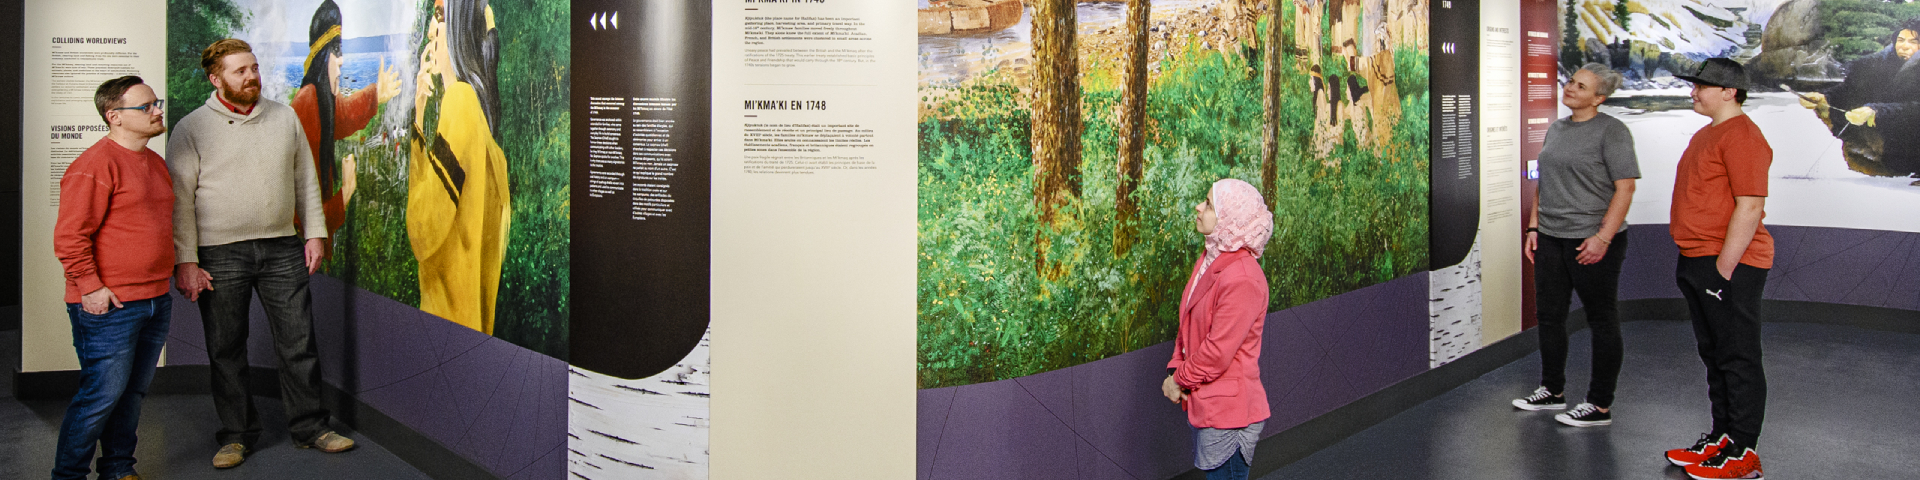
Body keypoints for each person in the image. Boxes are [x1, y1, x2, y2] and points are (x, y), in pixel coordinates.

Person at [167, 38, 355, 469]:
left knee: (298, 342)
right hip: (219, 254)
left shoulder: (284, 117)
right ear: (217, 80)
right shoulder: (191, 128)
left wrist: (314, 233)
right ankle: (236, 435)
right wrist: (187, 261)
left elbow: (307, 180)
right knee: (226, 347)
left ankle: (311, 427)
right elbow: (180, 201)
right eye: (240, 71)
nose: (252, 76)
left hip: (282, 248)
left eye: (253, 67)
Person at [50, 75, 174, 480]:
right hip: (110, 305)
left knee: (131, 394)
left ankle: (119, 469)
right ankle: (67, 476)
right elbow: (70, 237)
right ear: (114, 116)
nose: (158, 111)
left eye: (156, 103)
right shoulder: (94, 166)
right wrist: (90, 287)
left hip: (155, 299)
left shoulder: (155, 162)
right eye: (146, 106)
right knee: (100, 397)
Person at [1512, 63, 1639, 429]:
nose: (1569, 88)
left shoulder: (1612, 132)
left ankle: (1599, 405)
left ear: (1599, 98)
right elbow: (1543, 181)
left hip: (1592, 241)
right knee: (1550, 316)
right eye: (1570, 81)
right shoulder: (1557, 128)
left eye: (1580, 86)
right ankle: (1552, 390)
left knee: (1601, 319)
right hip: (1551, 237)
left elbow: (1625, 188)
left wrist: (1602, 238)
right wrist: (1534, 227)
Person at [1664, 58, 1772, 480]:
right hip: (1698, 259)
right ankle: (1723, 439)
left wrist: (1723, 270)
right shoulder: (1707, 134)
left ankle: (1745, 454)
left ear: (1730, 92)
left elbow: (1750, 205)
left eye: (1703, 86)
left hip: (1729, 264)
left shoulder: (1744, 136)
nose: (1694, 92)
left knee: (1738, 357)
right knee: (1715, 356)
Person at [408, 0, 511, 334]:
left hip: (444, 327)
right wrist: (421, 110)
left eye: (439, 16)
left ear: (458, 28)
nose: (430, 30)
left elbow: (421, 231)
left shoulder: (459, 103)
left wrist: (417, 121)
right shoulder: (480, 124)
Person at [1162, 179, 1273, 480]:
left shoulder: (1243, 278)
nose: (1199, 207)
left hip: (1231, 414)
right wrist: (1176, 368)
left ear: (1230, 220)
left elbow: (1216, 353)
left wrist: (1178, 381)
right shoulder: (1212, 260)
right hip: (1212, 406)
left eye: (1209, 204)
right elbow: (1189, 323)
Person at [293, 0, 401, 237]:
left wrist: (376, 95)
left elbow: (341, 115)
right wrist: (346, 191)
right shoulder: (306, 103)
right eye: (337, 50)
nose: (342, 60)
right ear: (323, 56)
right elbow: (301, 218)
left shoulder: (317, 99)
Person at [1797, 18, 1920, 181]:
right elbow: (1850, 88)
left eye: (1913, 41)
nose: (1904, 46)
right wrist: (1824, 98)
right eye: (1900, 40)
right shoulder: (1877, 64)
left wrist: (1877, 111)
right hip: (1893, 147)